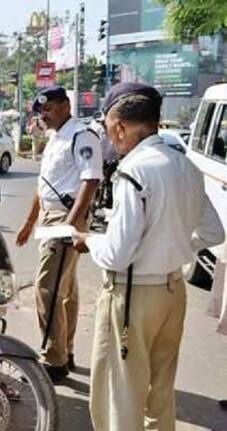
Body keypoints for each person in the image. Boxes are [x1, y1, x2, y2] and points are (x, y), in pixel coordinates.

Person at [73, 83, 224, 431]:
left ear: (121, 127)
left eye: (108, 130)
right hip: (172, 293)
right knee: (160, 391)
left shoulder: (134, 170)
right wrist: (176, 245)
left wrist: (88, 240)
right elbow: (215, 233)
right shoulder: (185, 166)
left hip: (133, 296)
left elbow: (116, 253)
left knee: (121, 393)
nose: (109, 139)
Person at [15, 86, 103, 383]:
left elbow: (90, 181)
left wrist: (70, 224)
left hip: (67, 216)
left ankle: (53, 360)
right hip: (51, 215)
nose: (44, 115)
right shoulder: (56, 137)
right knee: (65, 289)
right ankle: (65, 350)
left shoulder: (82, 135)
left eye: (49, 108)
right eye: (41, 111)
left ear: (66, 105)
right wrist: (29, 222)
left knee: (47, 289)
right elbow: (45, 185)